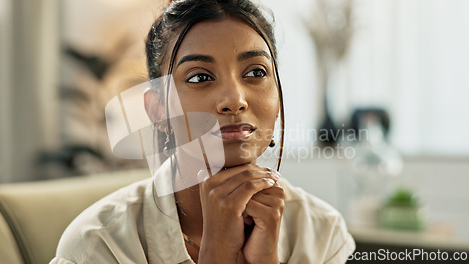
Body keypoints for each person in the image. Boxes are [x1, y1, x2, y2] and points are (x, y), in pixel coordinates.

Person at [50, 0, 355, 263]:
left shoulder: (320, 233)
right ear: (158, 110)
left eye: (255, 72)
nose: (235, 99)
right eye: (199, 77)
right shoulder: (99, 247)